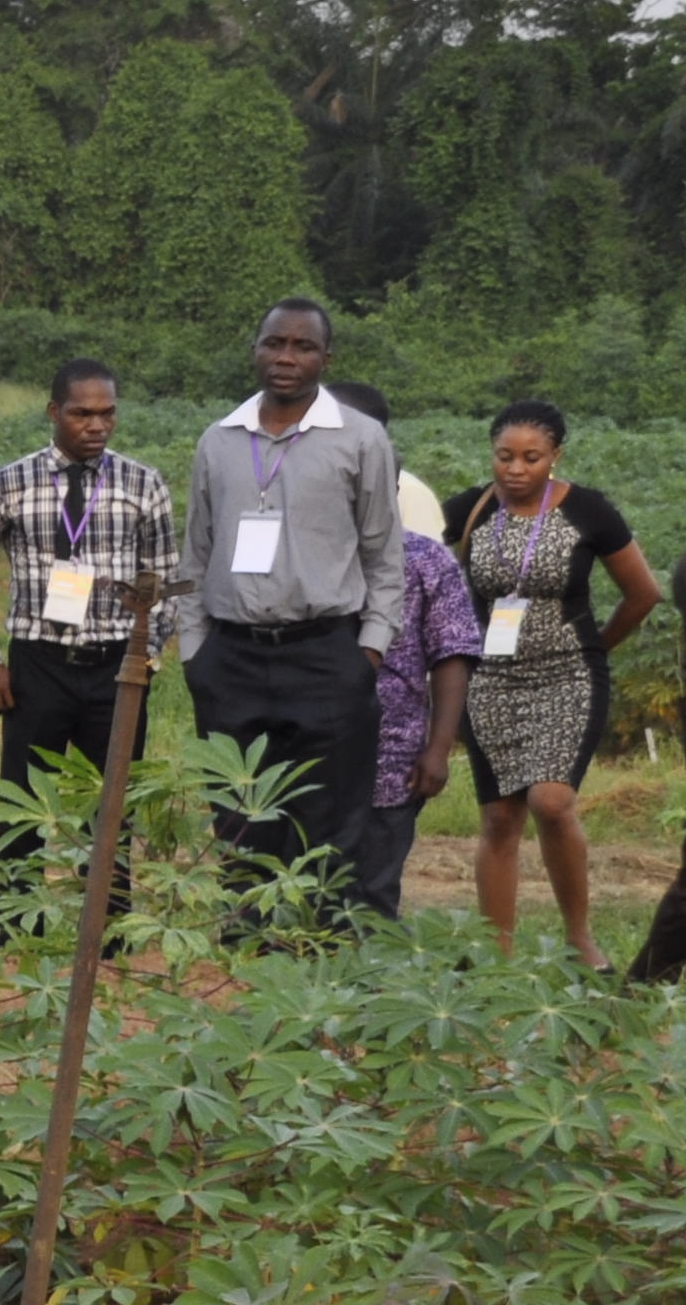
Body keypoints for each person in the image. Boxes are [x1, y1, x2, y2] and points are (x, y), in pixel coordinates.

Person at [180, 298, 402, 900]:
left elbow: (385, 555)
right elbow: (195, 553)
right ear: (255, 349)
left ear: (326, 359)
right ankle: (246, 957)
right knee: (237, 816)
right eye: (275, 343)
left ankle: (317, 954)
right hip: (231, 657)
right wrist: (195, 654)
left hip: (327, 655)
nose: (286, 357)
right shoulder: (219, 439)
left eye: (303, 347)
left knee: (328, 819)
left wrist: (369, 654)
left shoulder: (360, 440)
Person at [444, 403, 658, 966]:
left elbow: (644, 594)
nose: (515, 469)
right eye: (504, 456)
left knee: (552, 801)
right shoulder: (470, 511)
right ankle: (498, 955)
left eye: (531, 458)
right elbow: (415, 559)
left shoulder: (588, 511)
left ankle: (579, 937)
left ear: (555, 457)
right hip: (491, 680)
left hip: (568, 675)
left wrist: (596, 647)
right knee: (498, 818)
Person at [0, 358, 176, 874]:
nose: (97, 426)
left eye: (107, 413)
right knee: (24, 807)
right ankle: (13, 931)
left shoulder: (143, 485)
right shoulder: (7, 484)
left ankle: (107, 935)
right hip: (37, 667)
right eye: (81, 414)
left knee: (112, 806)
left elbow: (161, 583)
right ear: (53, 412)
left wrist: (148, 654)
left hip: (118, 667)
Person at [353, 474, 481, 920]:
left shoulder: (428, 560)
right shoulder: (304, 559)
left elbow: (452, 653)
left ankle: (368, 985)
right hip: (309, 753)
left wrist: (439, 747)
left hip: (394, 757)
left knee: (375, 896)